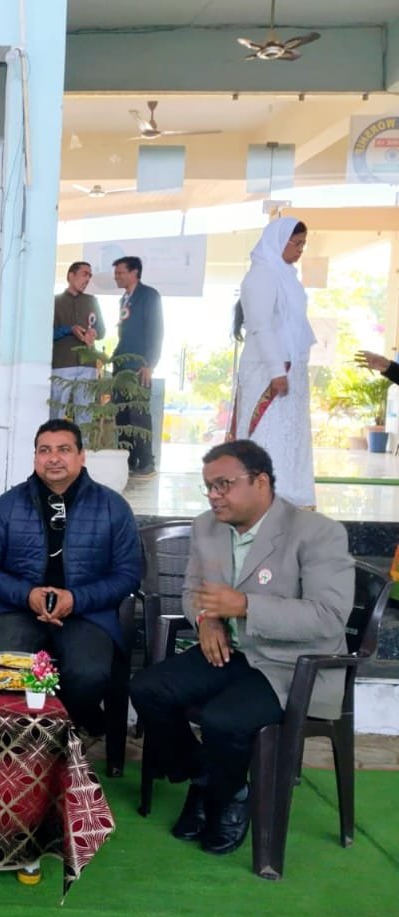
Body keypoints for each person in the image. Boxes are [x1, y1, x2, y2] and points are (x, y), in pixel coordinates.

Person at [130, 440, 352, 857]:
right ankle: (204, 778)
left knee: (224, 720)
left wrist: (246, 606)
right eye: (209, 487)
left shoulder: (319, 533)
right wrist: (206, 618)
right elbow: (194, 590)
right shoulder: (206, 527)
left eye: (224, 485)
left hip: (291, 665)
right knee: (146, 689)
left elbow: (328, 616)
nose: (214, 495)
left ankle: (229, 796)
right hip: (228, 650)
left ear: (261, 482)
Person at [0, 419, 141, 734]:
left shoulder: (112, 507)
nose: (53, 458)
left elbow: (129, 574)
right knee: (9, 670)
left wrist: (76, 599)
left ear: (81, 456)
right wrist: (27, 595)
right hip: (18, 610)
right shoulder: (8, 505)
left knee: (87, 674)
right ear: (35, 457)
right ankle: (24, 742)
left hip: (87, 613)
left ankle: (61, 735)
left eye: (64, 449)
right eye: (44, 450)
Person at [232, 219, 316, 509]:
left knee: (289, 437)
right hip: (268, 369)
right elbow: (260, 326)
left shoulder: (287, 277)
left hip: (290, 367)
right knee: (266, 433)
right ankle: (259, 498)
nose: (300, 250)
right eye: (297, 243)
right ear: (278, 240)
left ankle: (289, 496)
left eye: (304, 244)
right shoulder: (262, 275)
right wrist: (277, 370)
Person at [112, 255, 163, 479]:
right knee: (122, 416)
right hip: (121, 366)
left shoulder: (149, 296)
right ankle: (129, 459)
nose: (117, 277)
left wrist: (149, 363)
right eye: (116, 273)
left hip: (139, 366)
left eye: (120, 272)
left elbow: (156, 331)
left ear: (134, 272)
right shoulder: (124, 299)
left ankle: (146, 461)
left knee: (139, 416)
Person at [51, 261, 106, 426]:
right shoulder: (55, 302)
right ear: (70, 276)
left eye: (90, 276)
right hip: (62, 364)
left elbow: (102, 331)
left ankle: (83, 448)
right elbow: (47, 334)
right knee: (56, 412)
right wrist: (69, 329)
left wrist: (93, 332)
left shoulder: (92, 301)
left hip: (87, 365)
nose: (87, 279)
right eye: (84, 274)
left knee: (85, 413)